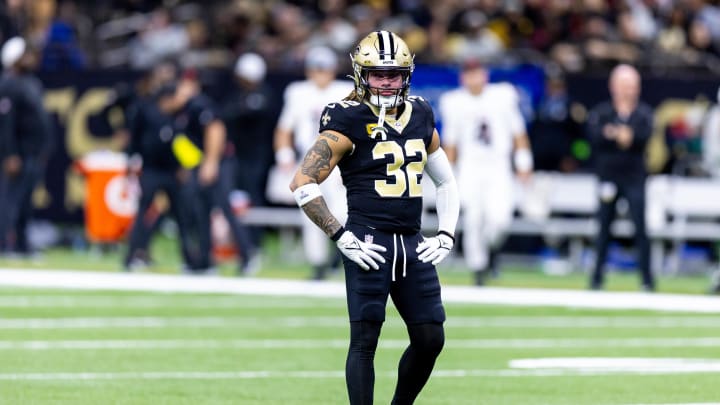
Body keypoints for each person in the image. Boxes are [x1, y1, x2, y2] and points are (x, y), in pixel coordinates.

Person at [289, 30, 459, 405]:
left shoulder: (421, 113)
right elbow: (302, 183)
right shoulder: (346, 117)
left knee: (431, 337)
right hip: (368, 241)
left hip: (412, 242)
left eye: (393, 74)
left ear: (407, 75)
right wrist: (340, 234)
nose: (386, 81)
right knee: (365, 341)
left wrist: (446, 233)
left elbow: (445, 181)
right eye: (378, 73)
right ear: (360, 74)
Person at [438, 58, 533, 286]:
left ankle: (491, 251)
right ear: (463, 78)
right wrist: (447, 175)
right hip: (470, 167)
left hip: (498, 166)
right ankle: (478, 269)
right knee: (473, 219)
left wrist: (524, 163)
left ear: (485, 74)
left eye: (476, 73)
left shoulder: (502, 96)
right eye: (469, 74)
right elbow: (450, 142)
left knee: (500, 219)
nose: (473, 78)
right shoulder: (454, 102)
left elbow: (518, 132)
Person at [273, 45, 353, 280]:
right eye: (316, 69)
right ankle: (318, 264)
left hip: (339, 161)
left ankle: (341, 254)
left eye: (324, 69)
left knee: (342, 211)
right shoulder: (298, 92)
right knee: (310, 213)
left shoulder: (346, 91)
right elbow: (284, 128)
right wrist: (284, 156)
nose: (321, 74)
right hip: (309, 160)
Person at [587, 64, 655, 292]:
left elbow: (643, 137)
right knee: (603, 229)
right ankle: (596, 278)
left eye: (632, 86)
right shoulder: (603, 111)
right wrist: (620, 136)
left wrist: (620, 135)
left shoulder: (643, 113)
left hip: (634, 178)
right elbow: (595, 137)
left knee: (640, 229)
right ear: (613, 86)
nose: (628, 90)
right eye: (624, 85)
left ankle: (647, 280)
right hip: (608, 176)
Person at [0, 37, 53, 257]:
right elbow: (6, 123)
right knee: (9, 201)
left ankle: (22, 244)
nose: (31, 58)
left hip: (33, 152)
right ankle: (4, 244)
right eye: (26, 55)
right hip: (18, 153)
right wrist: (10, 154)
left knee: (26, 202)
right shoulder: (8, 83)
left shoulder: (31, 82)